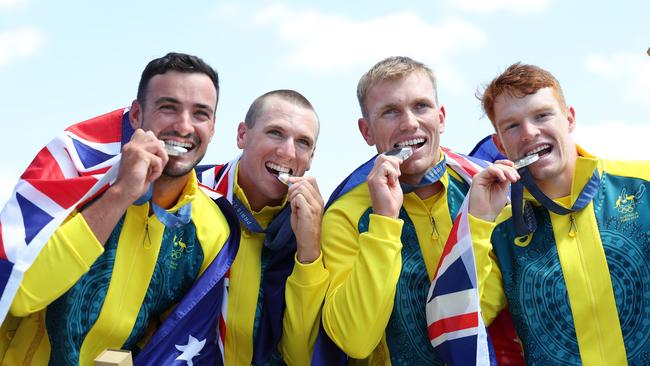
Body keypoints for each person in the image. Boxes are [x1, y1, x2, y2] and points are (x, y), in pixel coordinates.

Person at [0, 52, 237, 365]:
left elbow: (170, 339)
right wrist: (121, 194)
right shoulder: (80, 182)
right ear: (136, 115)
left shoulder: (214, 227)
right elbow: (21, 296)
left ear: (214, 126)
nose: (184, 126)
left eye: (200, 114)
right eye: (169, 107)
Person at [319, 56, 499, 365]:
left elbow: (487, 309)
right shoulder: (344, 214)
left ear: (441, 117)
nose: (409, 123)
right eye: (390, 112)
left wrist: (478, 223)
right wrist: (384, 222)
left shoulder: (487, 190)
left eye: (421, 106)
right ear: (367, 132)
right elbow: (355, 339)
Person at [468, 62, 650, 364]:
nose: (529, 132)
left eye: (542, 115)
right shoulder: (499, 229)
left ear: (569, 119)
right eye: (512, 125)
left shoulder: (643, 183)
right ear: (499, 143)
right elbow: (461, 321)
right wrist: (477, 222)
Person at [197, 89, 329, 365]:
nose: (288, 152)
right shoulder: (191, 192)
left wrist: (309, 250)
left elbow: (301, 356)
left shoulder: (319, 223)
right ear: (242, 135)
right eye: (275, 133)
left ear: (312, 156)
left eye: (303, 142)